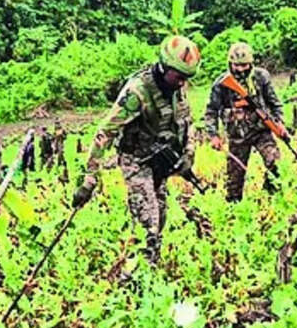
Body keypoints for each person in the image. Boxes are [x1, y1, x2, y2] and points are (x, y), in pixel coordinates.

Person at [72, 35, 200, 265]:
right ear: (164, 67)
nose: (183, 83)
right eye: (179, 77)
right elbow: (105, 133)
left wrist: (189, 154)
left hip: (160, 161)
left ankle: (151, 269)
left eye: (187, 78)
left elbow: (188, 122)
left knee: (160, 217)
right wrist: (89, 180)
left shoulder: (178, 87)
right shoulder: (138, 91)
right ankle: (133, 278)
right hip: (136, 161)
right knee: (147, 223)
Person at [204, 42, 284, 202]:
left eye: (244, 65)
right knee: (234, 180)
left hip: (261, 131)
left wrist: (279, 122)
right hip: (237, 136)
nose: (240, 69)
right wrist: (213, 135)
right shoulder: (221, 84)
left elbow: (274, 102)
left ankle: (270, 197)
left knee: (275, 163)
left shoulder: (261, 77)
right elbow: (211, 111)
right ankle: (234, 211)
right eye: (236, 65)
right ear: (230, 63)